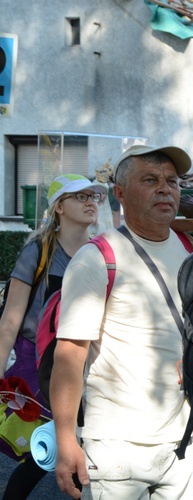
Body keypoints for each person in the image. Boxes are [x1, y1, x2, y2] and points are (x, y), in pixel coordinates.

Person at [49, 145, 193, 499]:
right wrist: (66, 440)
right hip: (117, 448)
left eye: (172, 181)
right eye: (150, 180)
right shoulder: (96, 258)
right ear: (120, 194)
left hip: (183, 443)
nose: (165, 189)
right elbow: (70, 356)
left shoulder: (190, 248)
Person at [0, 174, 106, 499]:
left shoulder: (102, 251)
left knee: (83, 449)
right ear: (59, 207)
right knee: (42, 452)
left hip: (88, 365)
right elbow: (11, 318)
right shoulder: (39, 251)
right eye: (80, 197)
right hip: (39, 367)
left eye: (94, 197)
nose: (91, 202)